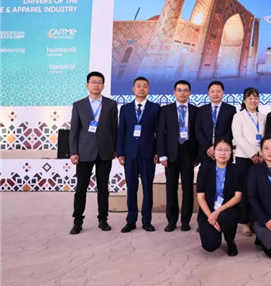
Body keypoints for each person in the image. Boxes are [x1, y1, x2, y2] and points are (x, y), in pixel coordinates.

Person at [69, 71, 118, 234]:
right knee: (81, 188)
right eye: (93, 82)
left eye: (99, 82)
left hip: (105, 151)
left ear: (103, 86)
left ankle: (103, 220)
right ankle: (77, 222)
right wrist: (73, 151)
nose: (96, 85)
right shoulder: (78, 105)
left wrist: (115, 149)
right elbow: (74, 130)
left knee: (103, 188)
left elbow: (114, 129)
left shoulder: (111, 104)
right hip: (84, 152)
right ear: (87, 85)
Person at [117, 76, 160, 233]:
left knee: (148, 188)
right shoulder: (125, 108)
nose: (142, 89)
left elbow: (159, 132)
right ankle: (131, 221)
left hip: (148, 154)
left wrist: (158, 151)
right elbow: (121, 131)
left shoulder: (155, 108)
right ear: (133, 89)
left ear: (149, 89)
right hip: (130, 154)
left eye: (145, 86)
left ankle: (147, 221)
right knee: (131, 188)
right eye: (139, 86)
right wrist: (120, 152)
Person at [157, 80, 198, 232]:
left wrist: (197, 156)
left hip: (189, 154)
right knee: (171, 188)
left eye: (185, 90)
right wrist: (162, 155)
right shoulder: (165, 110)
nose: (182, 93)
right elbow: (160, 134)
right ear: (174, 92)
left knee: (187, 189)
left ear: (190, 93)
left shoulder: (196, 110)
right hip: (171, 155)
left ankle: (185, 221)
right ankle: (171, 221)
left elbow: (198, 135)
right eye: (179, 90)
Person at [196, 138, 243, 256]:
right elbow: (200, 197)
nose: (223, 153)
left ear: (231, 152)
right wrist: (210, 216)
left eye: (226, 150)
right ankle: (216, 232)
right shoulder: (204, 169)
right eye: (219, 150)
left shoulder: (236, 170)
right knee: (210, 245)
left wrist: (217, 213)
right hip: (208, 210)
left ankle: (230, 240)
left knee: (227, 217)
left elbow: (237, 197)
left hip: (227, 210)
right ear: (214, 151)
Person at [231, 87, 266, 236]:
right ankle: (244, 222)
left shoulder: (263, 117)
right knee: (245, 190)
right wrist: (252, 154)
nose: (253, 100)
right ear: (244, 100)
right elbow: (238, 137)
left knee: (258, 191)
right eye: (250, 98)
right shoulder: (238, 116)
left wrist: (262, 153)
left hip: (261, 158)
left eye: (256, 98)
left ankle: (256, 220)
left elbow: (265, 137)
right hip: (244, 158)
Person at [195, 80, 236, 166]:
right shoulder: (201, 110)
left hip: (224, 152)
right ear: (208, 93)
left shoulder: (230, 109)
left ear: (223, 92)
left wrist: (217, 147)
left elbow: (231, 131)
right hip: (206, 153)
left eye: (218, 91)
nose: (215, 94)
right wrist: (208, 148)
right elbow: (198, 131)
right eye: (212, 91)